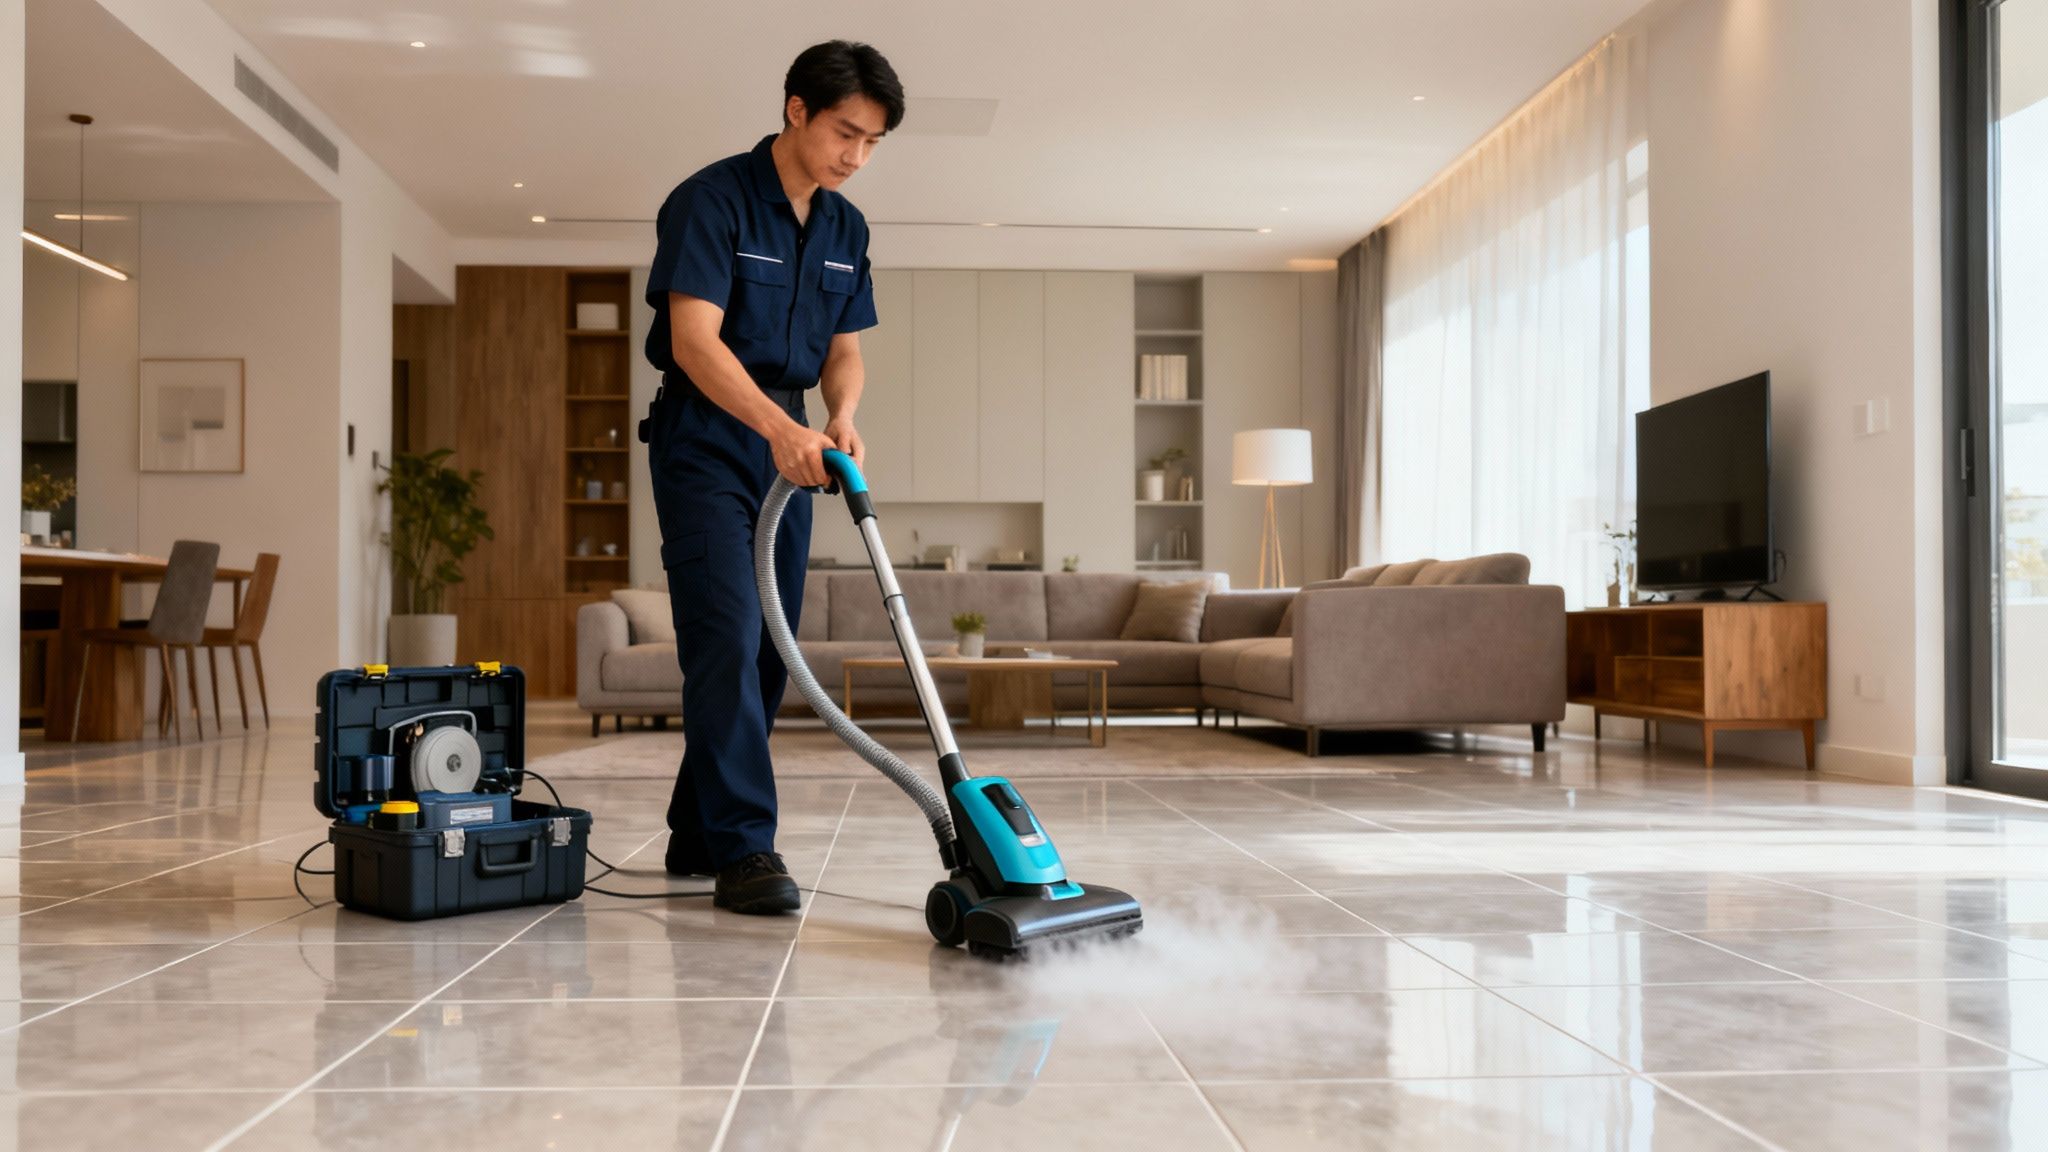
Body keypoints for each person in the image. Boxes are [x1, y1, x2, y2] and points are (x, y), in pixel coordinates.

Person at [641, 41, 902, 914]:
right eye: (845, 132)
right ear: (797, 109)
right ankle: (747, 849)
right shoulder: (710, 200)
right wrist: (782, 426)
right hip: (709, 434)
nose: (855, 157)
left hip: (790, 444)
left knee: (768, 648)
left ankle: (696, 829)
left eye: (871, 143)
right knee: (723, 630)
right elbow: (694, 343)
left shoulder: (845, 227)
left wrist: (841, 416)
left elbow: (845, 349)